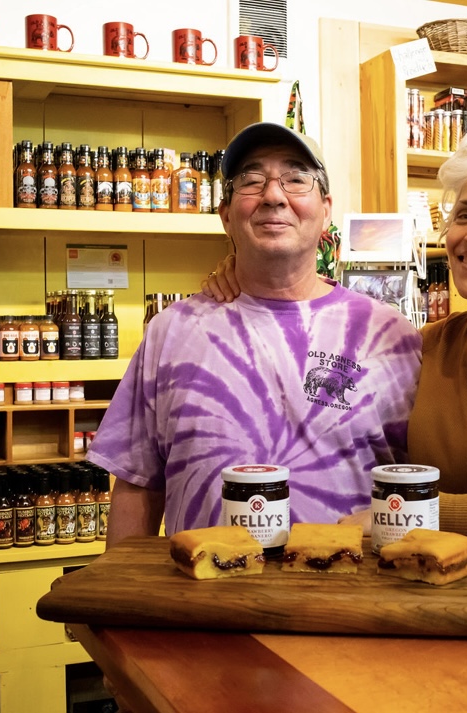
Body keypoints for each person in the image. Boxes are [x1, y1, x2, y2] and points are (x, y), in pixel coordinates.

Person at [205, 126, 467, 548]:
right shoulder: (426, 344)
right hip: (429, 583)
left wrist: (407, 510)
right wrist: (245, 273)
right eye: (465, 214)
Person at [86, 122, 422, 547]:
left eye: (297, 179)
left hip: (347, 604)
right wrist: (120, 606)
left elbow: (419, 491)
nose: (274, 195)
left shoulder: (390, 337)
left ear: (326, 210)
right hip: (201, 602)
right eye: (251, 180)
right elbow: (137, 486)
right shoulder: (170, 332)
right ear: (226, 214)